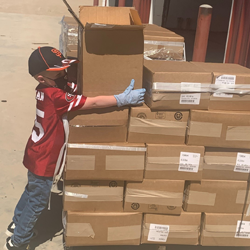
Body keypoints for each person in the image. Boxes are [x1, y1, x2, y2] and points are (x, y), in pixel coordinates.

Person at [4, 46, 146, 250]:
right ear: (41, 78)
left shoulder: (45, 90)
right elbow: (93, 103)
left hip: (35, 154)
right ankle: (18, 241)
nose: (63, 75)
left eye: (63, 70)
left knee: (30, 192)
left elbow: (68, 85)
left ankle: (16, 224)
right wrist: (120, 99)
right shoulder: (57, 97)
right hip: (44, 161)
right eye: (57, 73)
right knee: (37, 203)